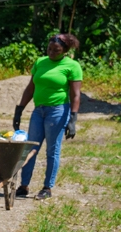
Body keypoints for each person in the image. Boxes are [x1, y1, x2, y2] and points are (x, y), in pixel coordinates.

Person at [13, 33, 83, 200]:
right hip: (39, 110)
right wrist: (19, 109)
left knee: (52, 150)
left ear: (64, 50)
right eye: (49, 49)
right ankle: (24, 186)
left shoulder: (72, 66)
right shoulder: (40, 62)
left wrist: (73, 119)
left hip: (58, 111)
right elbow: (30, 88)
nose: (51, 52)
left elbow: (75, 95)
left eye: (56, 50)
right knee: (30, 147)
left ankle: (47, 188)